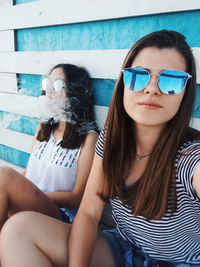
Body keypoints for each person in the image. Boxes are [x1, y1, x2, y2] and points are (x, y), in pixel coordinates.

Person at [0, 30, 200, 267]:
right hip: (124, 248)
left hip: (179, 262)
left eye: (172, 80)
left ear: (185, 92)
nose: (152, 88)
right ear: (123, 82)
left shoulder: (190, 158)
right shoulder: (111, 140)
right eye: (138, 76)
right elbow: (89, 213)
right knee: (19, 228)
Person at [0, 63, 98, 229]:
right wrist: (17, 190)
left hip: (60, 215)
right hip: (30, 205)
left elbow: (77, 196)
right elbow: (29, 172)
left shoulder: (88, 139)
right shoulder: (42, 130)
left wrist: (31, 196)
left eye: (58, 85)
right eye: (47, 84)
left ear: (75, 92)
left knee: (4, 175)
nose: (50, 91)